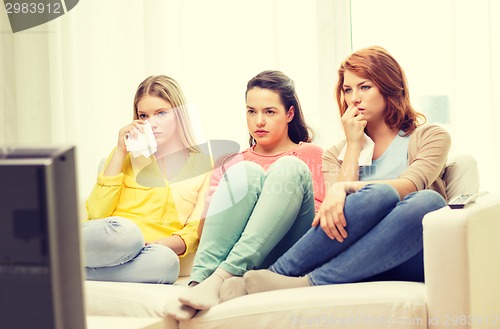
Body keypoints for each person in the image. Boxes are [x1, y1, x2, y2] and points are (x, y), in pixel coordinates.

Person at [236, 46, 451, 294]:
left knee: (428, 201)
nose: (354, 98)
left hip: (409, 253)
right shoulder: (335, 154)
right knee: (376, 196)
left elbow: (410, 186)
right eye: (348, 90)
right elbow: (337, 218)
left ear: (390, 86)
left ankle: (301, 280)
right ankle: (278, 276)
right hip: (350, 257)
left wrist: (344, 186)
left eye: (365, 87)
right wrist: (353, 144)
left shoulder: (430, 137)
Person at [165, 70, 325, 320]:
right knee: (246, 171)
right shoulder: (231, 163)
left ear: (289, 114)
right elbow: (204, 235)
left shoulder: (311, 155)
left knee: (289, 167)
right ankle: (199, 284)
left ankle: (221, 277)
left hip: (289, 254)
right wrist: (210, 208)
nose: (259, 121)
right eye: (252, 111)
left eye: (269, 112)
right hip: (240, 260)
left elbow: (319, 224)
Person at [83, 75, 211, 284]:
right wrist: (120, 152)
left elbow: (192, 232)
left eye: (161, 113)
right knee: (128, 234)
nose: (152, 123)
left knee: (167, 264)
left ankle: (72, 274)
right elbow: (97, 213)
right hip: (111, 238)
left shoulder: (205, 165)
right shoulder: (123, 156)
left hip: (149, 251)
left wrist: (156, 245)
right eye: (144, 115)